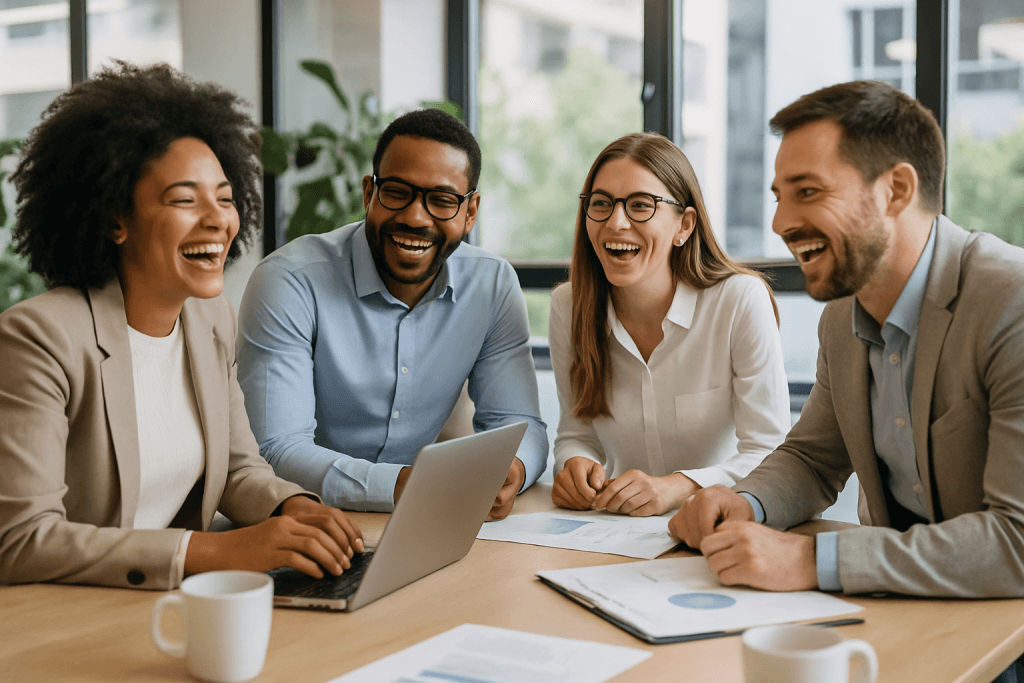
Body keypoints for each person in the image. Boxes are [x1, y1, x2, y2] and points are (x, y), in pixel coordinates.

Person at [0, 62, 363, 591]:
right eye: (185, 200)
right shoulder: (40, 338)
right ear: (114, 219)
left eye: (225, 196)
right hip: (63, 619)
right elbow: (22, 541)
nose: (218, 219)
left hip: (165, 605)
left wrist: (294, 508)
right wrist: (215, 550)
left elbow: (239, 469)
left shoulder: (209, 319)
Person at [669, 80, 1024, 600]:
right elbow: (814, 459)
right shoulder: (843, 315)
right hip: (898, 608)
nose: (781, 223)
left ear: (896, 190)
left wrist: (816, 560)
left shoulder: (1009, 301)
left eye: (808, 192)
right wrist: (744, 503)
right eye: (780, 197)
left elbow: (1017, 540)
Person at [236, 108, 547, 518]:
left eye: (442, 200)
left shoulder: (491, 285)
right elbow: (275, 450)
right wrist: (403, 485)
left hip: (416, 522)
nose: (415, 218)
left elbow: (520, 427)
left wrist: (513, 468)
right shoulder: (291, 281)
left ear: (470, 213)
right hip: (302, 518)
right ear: (369, 193)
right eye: (397, 192)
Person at [549, 132, 790, 517]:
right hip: (613, 533)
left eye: (641, 205)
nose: (616, 222)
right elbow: (576, 435)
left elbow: (771, 453)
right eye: (601, 204)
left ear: (685, 225)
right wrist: (574, 465)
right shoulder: (569, 305)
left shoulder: (740, 300)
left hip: (714, 527)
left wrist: (678, 486)